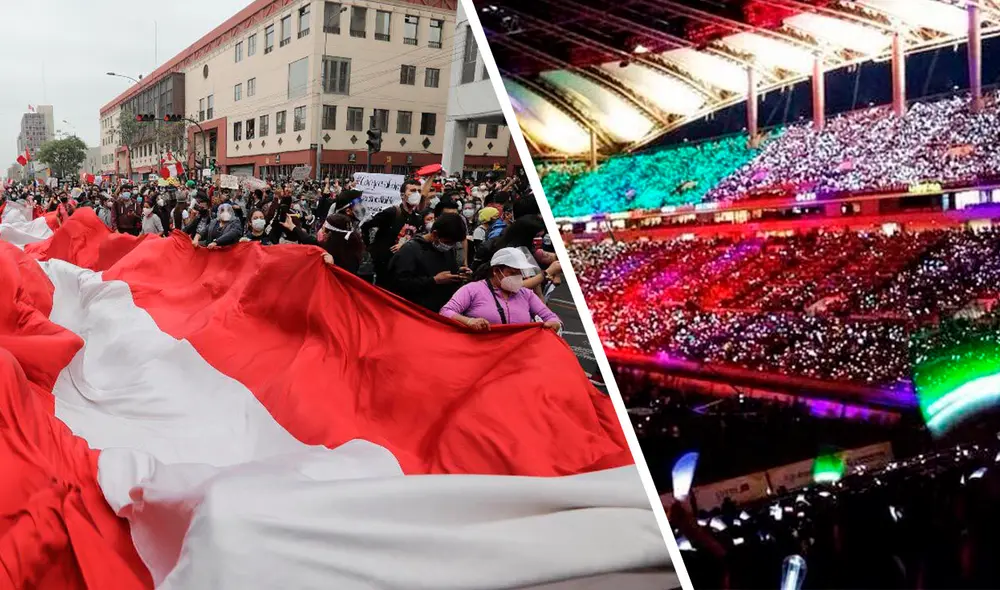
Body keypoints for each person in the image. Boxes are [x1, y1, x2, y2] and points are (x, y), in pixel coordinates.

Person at [440, 247, 562, 332]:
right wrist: (468, 321)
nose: (518, 277)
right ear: (496, 271)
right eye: (512, 273)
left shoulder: (526, 294)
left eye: (520, 273)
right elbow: (446, 312)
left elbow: (551, 317)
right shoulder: (472, 289)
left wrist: (555, 323)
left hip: (517, 354)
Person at [387, 212, 468, 311]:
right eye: (447, 242)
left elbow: (447, 271)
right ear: (434, 234)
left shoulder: (448, 250)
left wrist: (458, 274)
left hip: (441, 309)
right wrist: (433, 281)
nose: (450, 246)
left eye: (453, 243)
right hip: (415, 310)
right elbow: (398, 283)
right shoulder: (411, 250)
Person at [361, 178, 425, 287]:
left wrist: (405, 246)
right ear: (402, 195)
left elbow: (418, 239)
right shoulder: (391, 213)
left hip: (403, 266)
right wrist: (371, 248)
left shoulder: (418, 219)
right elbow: (366, 226)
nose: (417, 194)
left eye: (419, 191)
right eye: (413, 191)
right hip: (384, 265)